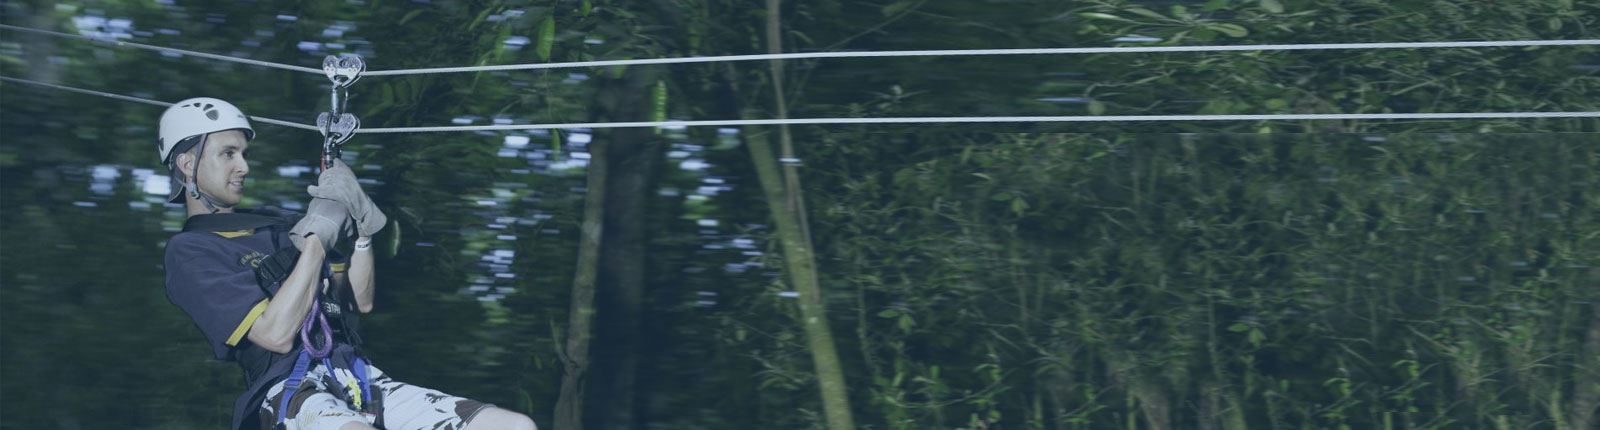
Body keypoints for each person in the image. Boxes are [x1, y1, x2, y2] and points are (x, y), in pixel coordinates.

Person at [158, 97, 537, 430]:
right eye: (228, 153)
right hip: (290, 391)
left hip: (358, 377)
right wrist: (318, 239)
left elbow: (358, 301)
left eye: (243, 154)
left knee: (514, 425)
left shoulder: (277, 225)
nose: (243, 166)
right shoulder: (192, 251)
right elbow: (273, 335)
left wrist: (361, 232)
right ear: (187, 163)